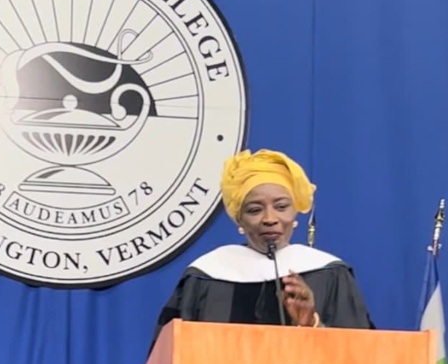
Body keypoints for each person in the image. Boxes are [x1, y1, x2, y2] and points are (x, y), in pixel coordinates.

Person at [150, 148, 373, 351]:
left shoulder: (330, 273)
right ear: (240, 220)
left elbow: (361, 357)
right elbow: (170, 359)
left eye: (281, 207)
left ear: (295, 212)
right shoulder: (204, 277)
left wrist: (310, 323)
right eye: (254, 210)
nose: (270, 219)